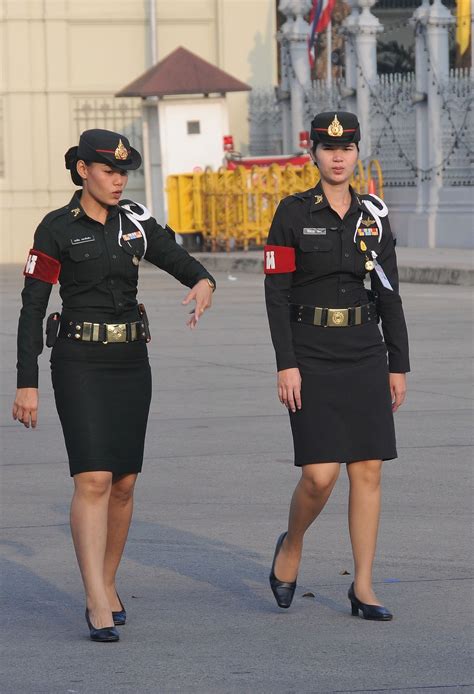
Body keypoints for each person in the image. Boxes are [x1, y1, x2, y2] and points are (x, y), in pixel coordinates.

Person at [12, 129, 216, 642]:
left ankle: (106, 580)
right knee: (94, 479)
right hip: (78, 360)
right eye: (108, 170)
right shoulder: (57, 228)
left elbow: (178, 259)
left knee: (124, 483)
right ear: (83, 170)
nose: (119, 180)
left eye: (124, 172)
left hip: (130, 360)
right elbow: (32, 306)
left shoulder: (136, 224)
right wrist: (26, 382)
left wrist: (203, 281)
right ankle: (96, 598)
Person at [264, 112, 409, 620]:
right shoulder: (291, 212)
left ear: (356, 152)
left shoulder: (374, 215)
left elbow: (388, 291)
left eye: (347, 147)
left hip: (365, 350)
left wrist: (398, 362)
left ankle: (363, 586)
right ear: (314, 155)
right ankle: (292, 544)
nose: (339, 156)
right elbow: (276, 294)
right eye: (329, 149)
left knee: (367, 470)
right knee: (319, 476)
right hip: (311, 352)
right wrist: (287, 365)